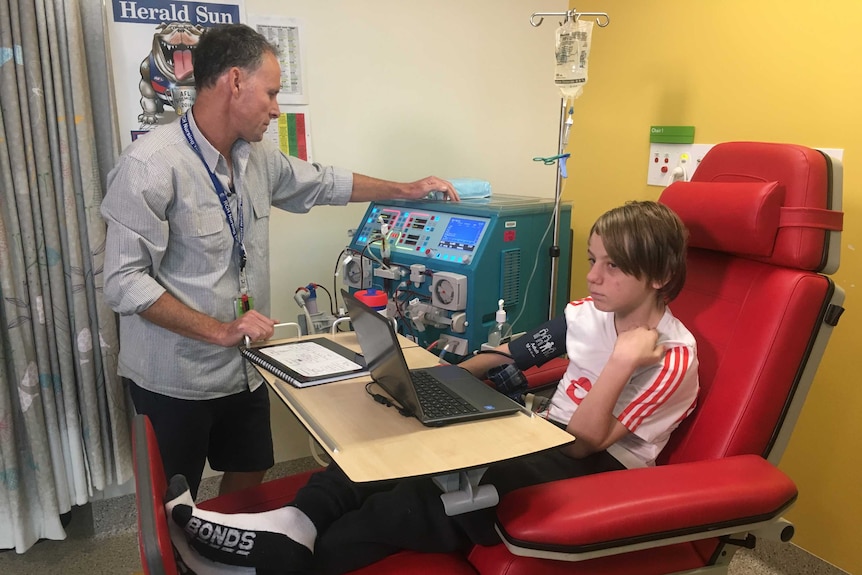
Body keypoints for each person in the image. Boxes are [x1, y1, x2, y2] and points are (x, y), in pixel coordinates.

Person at [162, 200, 700, 575]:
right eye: (592, 261)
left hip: (598, 473)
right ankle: (292, 520)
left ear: (657, 276)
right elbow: (513, 352)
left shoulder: (671, 358)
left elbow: (584, 442)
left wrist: (622, 361)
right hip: (542, 436)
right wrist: (438, 383)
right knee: (387, 449)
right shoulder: (588, 313)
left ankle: (277, 563)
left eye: (613, 267)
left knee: (432, 488)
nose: (594, 277)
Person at [101, 23, 459, 500]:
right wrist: (221, 330)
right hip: (175, 377)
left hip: (243, 366)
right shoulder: (151, 165)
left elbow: (324, 182)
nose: (275, 108)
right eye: (270, 93)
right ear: (234, 81)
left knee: (249, 475)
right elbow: (124, 282)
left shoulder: (255, 158)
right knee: (171, 503)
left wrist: (406, 190)